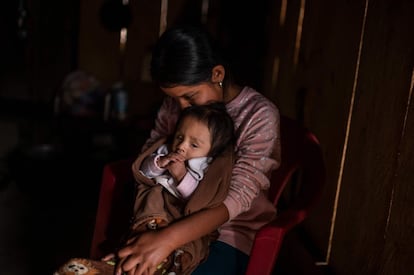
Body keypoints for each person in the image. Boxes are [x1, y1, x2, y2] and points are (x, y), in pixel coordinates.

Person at [107, 24, 281, 275]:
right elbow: (150, 157)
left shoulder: (258, 115)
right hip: (168, 216)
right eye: (174, 98)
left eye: (189, 96)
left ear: (217, 74)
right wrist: (151, 227)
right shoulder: (174, 107)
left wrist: (167, 240)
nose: (182, 107)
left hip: (229, 234)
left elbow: (238, 198)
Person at [129, 102, 235, 274]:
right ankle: (149, 226)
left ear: (212, 150)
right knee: (150, 194)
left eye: (194, 145)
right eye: (179, 137)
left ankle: (173, 263)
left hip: (182, 215)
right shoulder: (166, 150)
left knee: (189, 245)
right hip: (159, 206)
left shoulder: (206, 166)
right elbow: (144, 171)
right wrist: (159, 163)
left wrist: (181, 176)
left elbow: (198, 200)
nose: (181, 146)